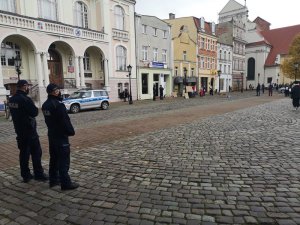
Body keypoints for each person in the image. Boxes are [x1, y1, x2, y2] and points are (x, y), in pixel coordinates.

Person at [8, 80, 47, 183]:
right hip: (29, 130)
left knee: (24, 154)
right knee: (36, 152)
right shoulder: (26, 99)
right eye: (27, 86)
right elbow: (34, 112)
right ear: (24, 86)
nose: (28, 88)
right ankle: (38, 174)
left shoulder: (11, 99)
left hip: (19, 130)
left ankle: (26, 175)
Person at [42, 84, 79, 190]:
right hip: (61, 136)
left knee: (54, 159)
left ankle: (53, 180)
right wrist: (70, 131)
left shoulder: (45, 105)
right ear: (54, 91)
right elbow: (65, 120)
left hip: (52, 134)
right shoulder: (58, 105)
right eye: (58, 90)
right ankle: (65, 183)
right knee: (64, 160)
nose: (59, 91)